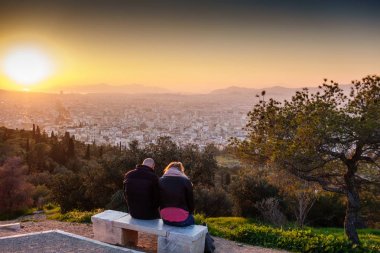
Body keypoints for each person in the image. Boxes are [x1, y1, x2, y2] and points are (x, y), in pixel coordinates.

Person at [159, 161, 195, 226]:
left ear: (168, 169)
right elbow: (190, 203)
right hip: (183, 220)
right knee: (192, 219)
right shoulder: (186, 181)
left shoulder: (160, 180)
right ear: (181, 170)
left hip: (165, 219)